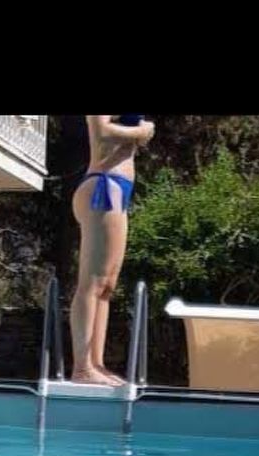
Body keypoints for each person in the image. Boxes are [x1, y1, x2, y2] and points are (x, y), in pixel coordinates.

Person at [69, 116, 155, 385]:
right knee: (92, 283)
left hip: (118, 188)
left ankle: (96, 363)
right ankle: (82, 368)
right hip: (103, 185)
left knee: (107, 286)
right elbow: (102, 131)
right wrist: (141, 131)